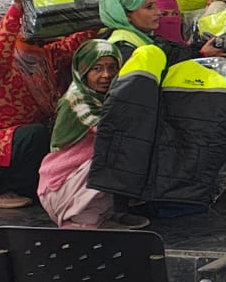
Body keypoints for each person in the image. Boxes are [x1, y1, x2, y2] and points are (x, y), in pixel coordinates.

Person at [0, 0, 97, 209]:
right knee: (34, 135)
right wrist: (17, 9)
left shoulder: (43, 57)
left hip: (25, 141)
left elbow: (75, 42)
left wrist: (98, 14)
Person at [36, 40, 147, 228]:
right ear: (83, 70)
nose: (106, 75)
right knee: (116, 152)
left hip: (85, 174)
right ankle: (79, 219)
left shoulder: (109, 97)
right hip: (62, 183)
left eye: (112, 68)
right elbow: (109, 132)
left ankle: (106, 213)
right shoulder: (77, 100)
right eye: (97, 69)